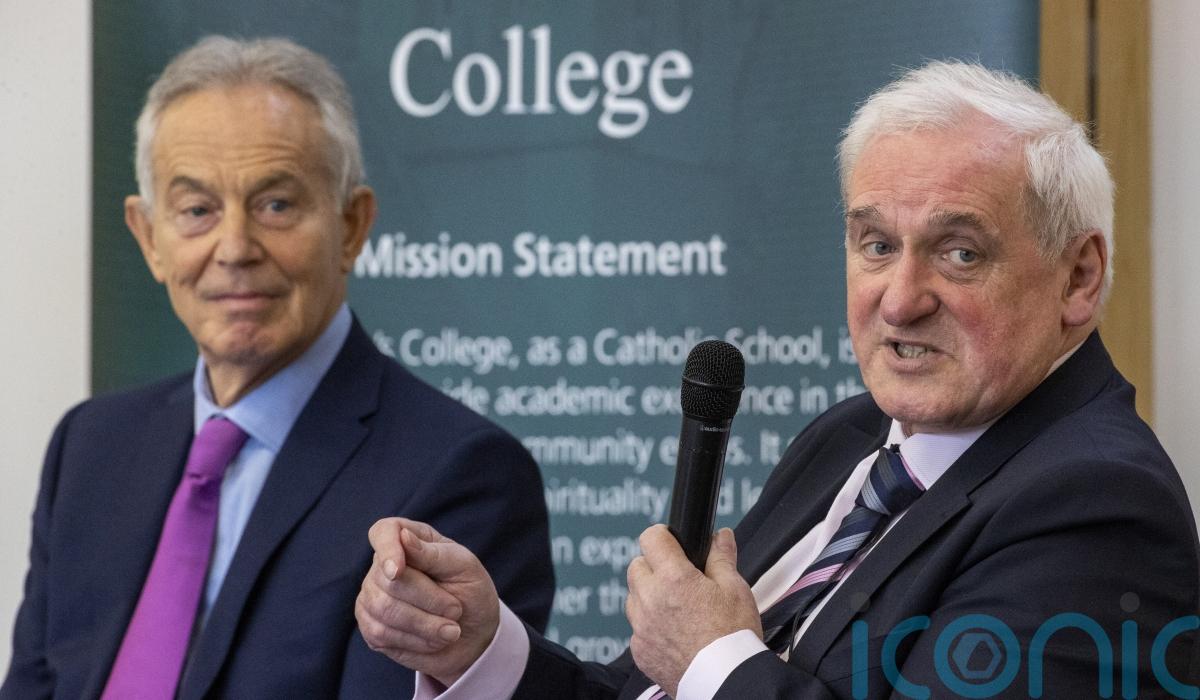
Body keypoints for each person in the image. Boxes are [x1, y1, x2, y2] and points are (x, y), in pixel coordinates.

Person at [355, 61, 1200, 698]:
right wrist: (484, 650)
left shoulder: (1097, 505)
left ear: (1079, 278)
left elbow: (703, 673)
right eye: (876, 245)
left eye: (960, 252)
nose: (900, 300)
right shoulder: (849, 437)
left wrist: (714, 660)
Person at [1, 36, 554, 700]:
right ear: (149, 238)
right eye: (197, 210)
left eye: (276, 205)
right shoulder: (90, 446)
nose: (234, 247)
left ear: (352, 226)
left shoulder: (460, 476)